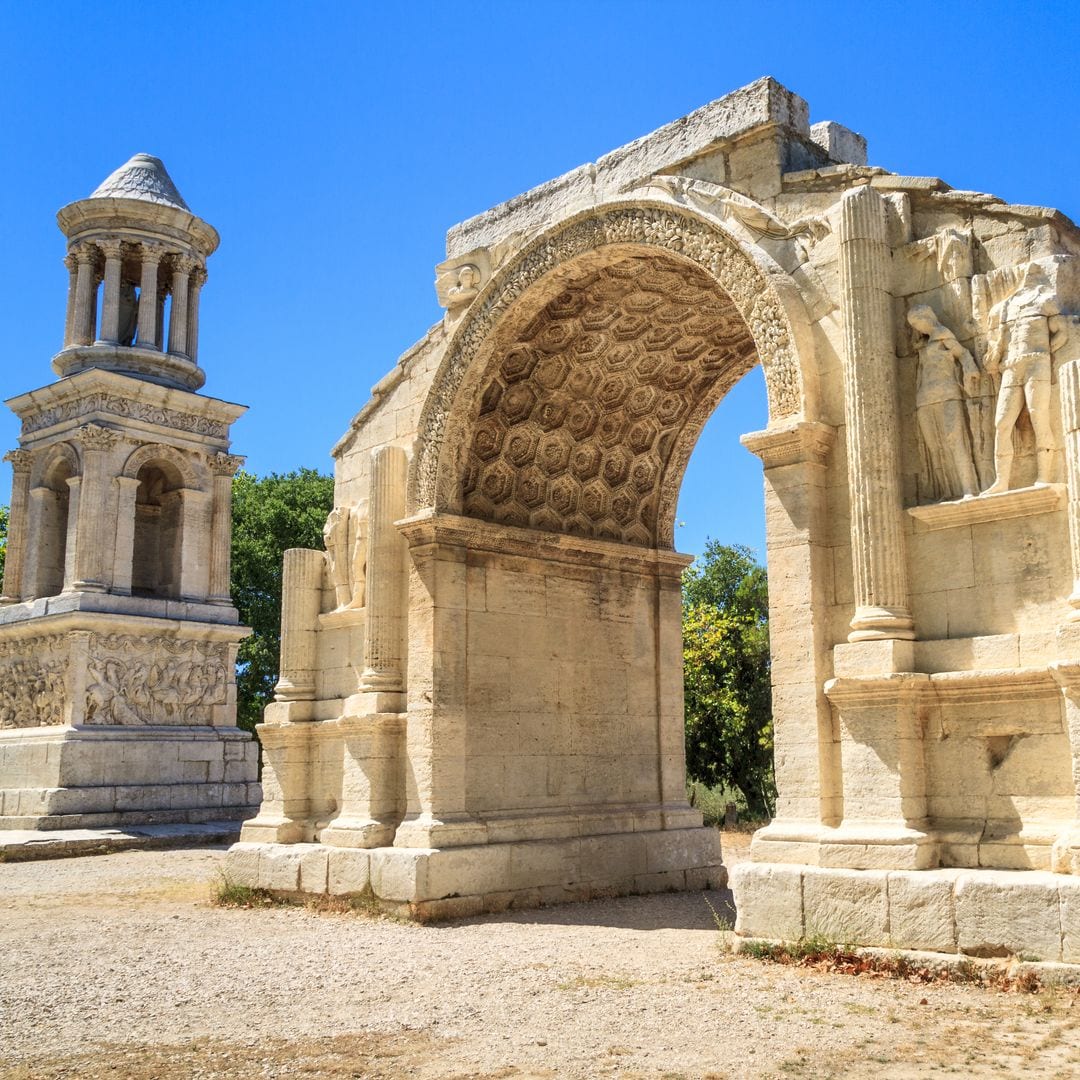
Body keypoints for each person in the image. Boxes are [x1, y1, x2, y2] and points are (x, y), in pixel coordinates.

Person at [984, 262, 1067, 492]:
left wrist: (1046, 354)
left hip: (1036, 362)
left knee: (1038, 416)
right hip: (1011, 365)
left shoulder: (1046, 299)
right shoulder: (1008, 305)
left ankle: (1044, 476)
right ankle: (1001, 481)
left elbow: (1061, 332)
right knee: (1001, 423)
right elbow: (1001, 339)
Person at [907, 304, 981, 499]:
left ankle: (968, 488)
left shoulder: (942, 334)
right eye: (913, 325)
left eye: (917, 322)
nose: (917, 328)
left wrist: (971, 368)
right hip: (924, 397)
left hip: (947, 391)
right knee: (933, 446)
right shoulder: (923, 344)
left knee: (954, 440)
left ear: (927, 317)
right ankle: (946, 490)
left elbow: (963, 353)